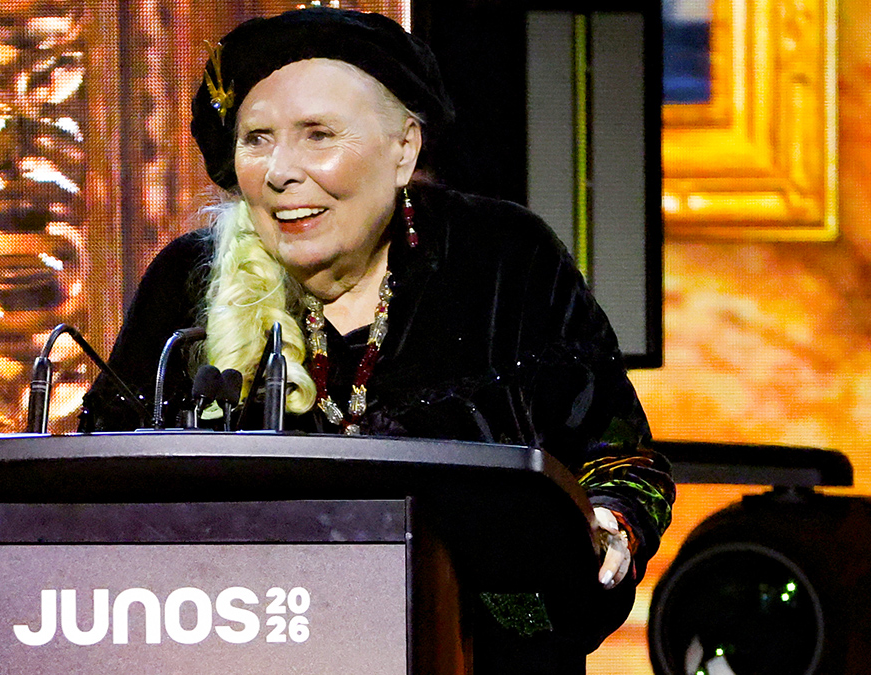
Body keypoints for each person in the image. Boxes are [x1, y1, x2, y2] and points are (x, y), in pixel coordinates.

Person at [80, 7, 674, 672]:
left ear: (404, 150)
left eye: (318, 135)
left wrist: (609, 525)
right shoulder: (185, 283)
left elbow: (620, 459)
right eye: (257, 139)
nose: (281, 171)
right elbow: (95, 489)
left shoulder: (503, 259)